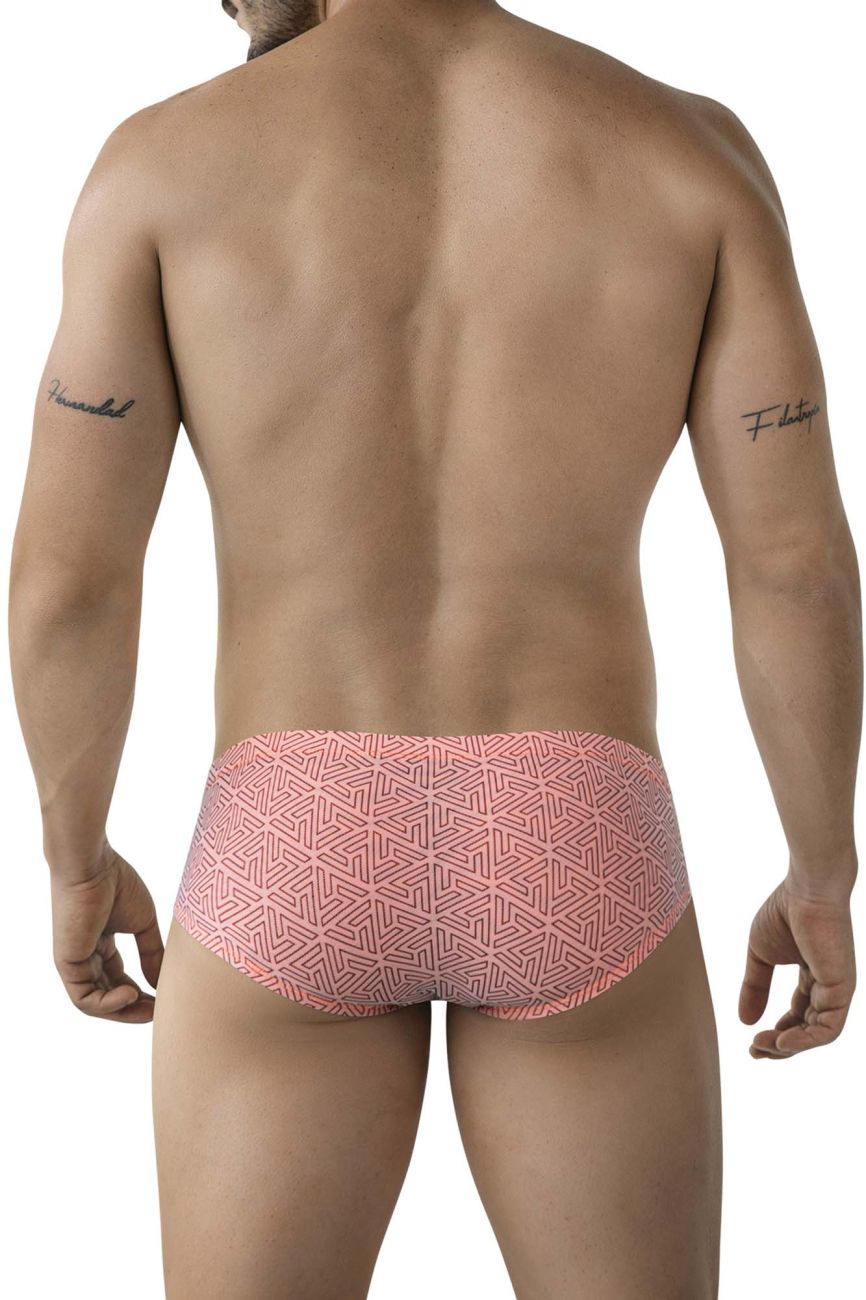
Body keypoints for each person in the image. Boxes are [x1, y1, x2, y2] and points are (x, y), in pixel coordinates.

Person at [8, 1, 860, 1296]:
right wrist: (821, 869)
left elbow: (68, 583)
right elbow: (792, 566)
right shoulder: (686, 154)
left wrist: (75, 858)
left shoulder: (163, 165)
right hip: (574, 833)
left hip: (292, 840)